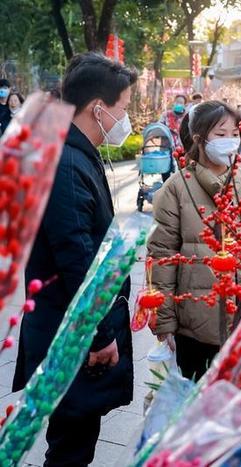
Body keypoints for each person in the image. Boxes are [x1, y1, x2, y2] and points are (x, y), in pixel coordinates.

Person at [13, 52, 137, 467]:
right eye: (123, 107)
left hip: (69, 328)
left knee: (75, 437)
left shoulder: (73, 151)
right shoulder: (67, 162)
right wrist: (100, 334)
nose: (126, 117)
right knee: (71, 447)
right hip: (71, 335)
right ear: (98, 108)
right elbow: (77, 256)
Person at [149, 101, 241, 380]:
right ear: (199, 139)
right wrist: (165, 321)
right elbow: (162, 256)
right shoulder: (176, 188)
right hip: (195, 326)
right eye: (220, 135)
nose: (230, 142)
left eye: (235, 134)